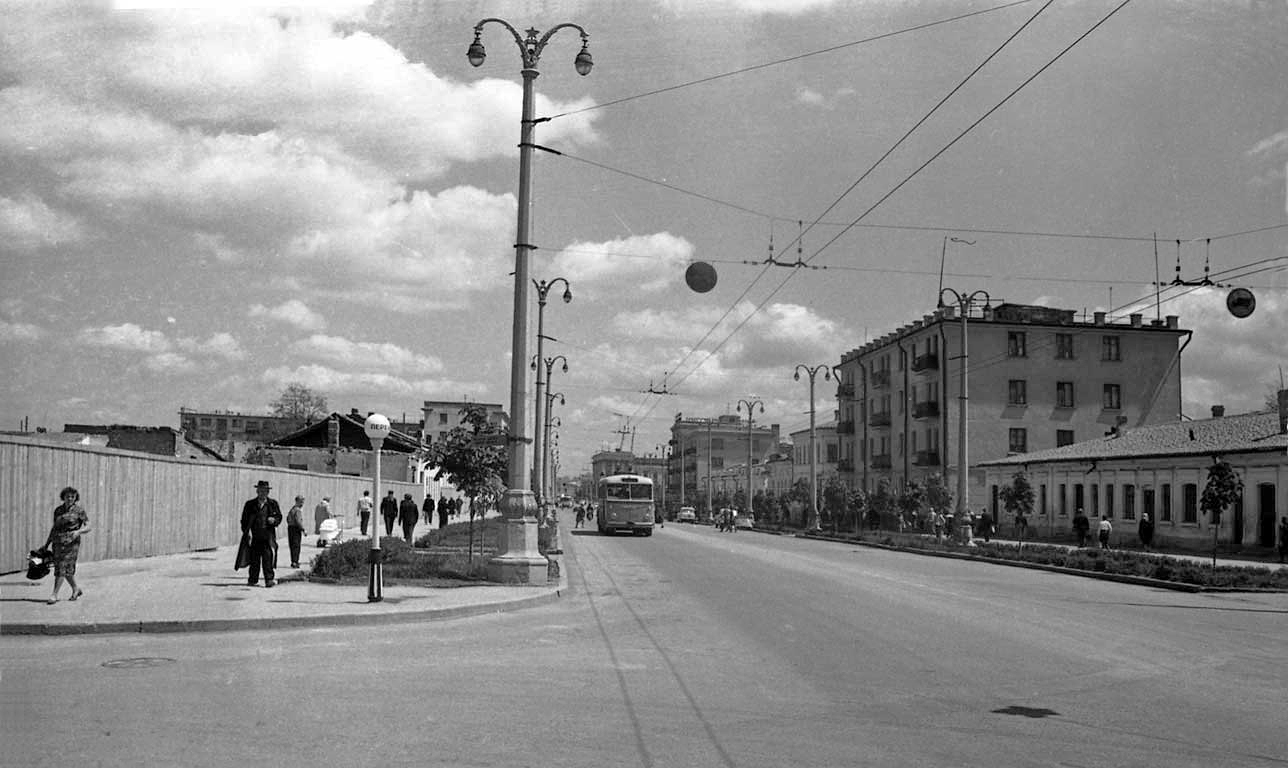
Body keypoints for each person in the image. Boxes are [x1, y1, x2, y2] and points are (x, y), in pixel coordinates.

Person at [45, 486, 91, 604]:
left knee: (62, 567)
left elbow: (88, 526)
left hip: (71, 543)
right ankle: (76, 589)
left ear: (75, 498)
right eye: (67, 496)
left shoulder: (79, 511)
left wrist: (78, 531)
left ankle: (54, 594)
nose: (70, 498)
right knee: (65, 568)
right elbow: (54, 528)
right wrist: (46, 544)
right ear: (63, 497)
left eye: (72, 496)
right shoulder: (58, 511)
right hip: (57, 543)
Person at [241, 480, 283, 587]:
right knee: (254, 559)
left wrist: (274, 520)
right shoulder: (250, 504)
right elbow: (244, 520)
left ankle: (269, 579)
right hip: (255, 536)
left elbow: (279, 517)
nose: (263, 493)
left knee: (268, 559)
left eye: (265, 491)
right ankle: (252, 580)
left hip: (267, 536)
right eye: (261, 490)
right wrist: (246, 533)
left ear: (268, 492)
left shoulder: (273, 504)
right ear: (257, 491)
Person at [286, 494, 306, 569]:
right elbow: (298, 521)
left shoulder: (292, 509)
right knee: (296, 546)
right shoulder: (297, 510)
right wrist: (303, 529)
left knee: (292, 545)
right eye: (301, 502)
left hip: (290, 528)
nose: (302, 504)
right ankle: (295, 562)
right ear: (297, 501)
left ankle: (293, 561)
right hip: (296, 528)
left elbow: (287, 518)